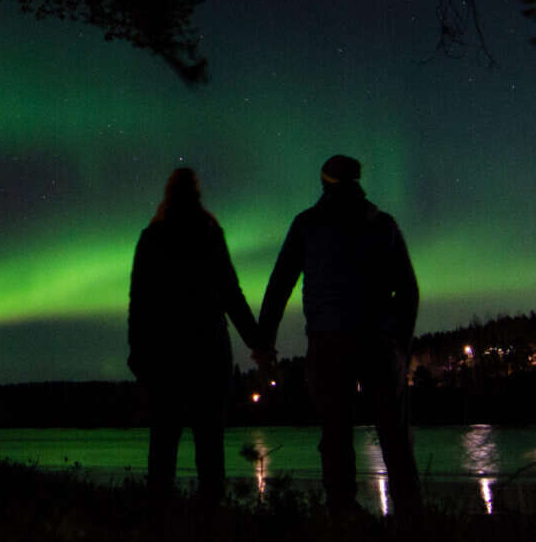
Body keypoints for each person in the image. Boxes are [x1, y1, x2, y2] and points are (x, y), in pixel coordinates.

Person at [254, 154, 422, 516]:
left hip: (328, 343)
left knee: (335, 434)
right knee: (394, 433)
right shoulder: (384, 225)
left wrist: (264, 343)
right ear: (358, 183)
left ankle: (343, 514)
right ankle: (410, 517)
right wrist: (400, 347)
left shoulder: (307, 224)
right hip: (379, 341)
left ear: (324, 183)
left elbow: (279, 285)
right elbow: (408, 292)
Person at [128, 167, 259, 503]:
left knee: (163, 446)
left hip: (164, 356)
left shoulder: (151, 238)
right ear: (197, 195)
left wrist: (138, 353)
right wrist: (258, 342)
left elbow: (139, 303)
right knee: (210, 448)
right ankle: (212, 528)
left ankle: (160, 527)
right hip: (209, 354)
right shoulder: (210, 234)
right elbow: (232, 294)